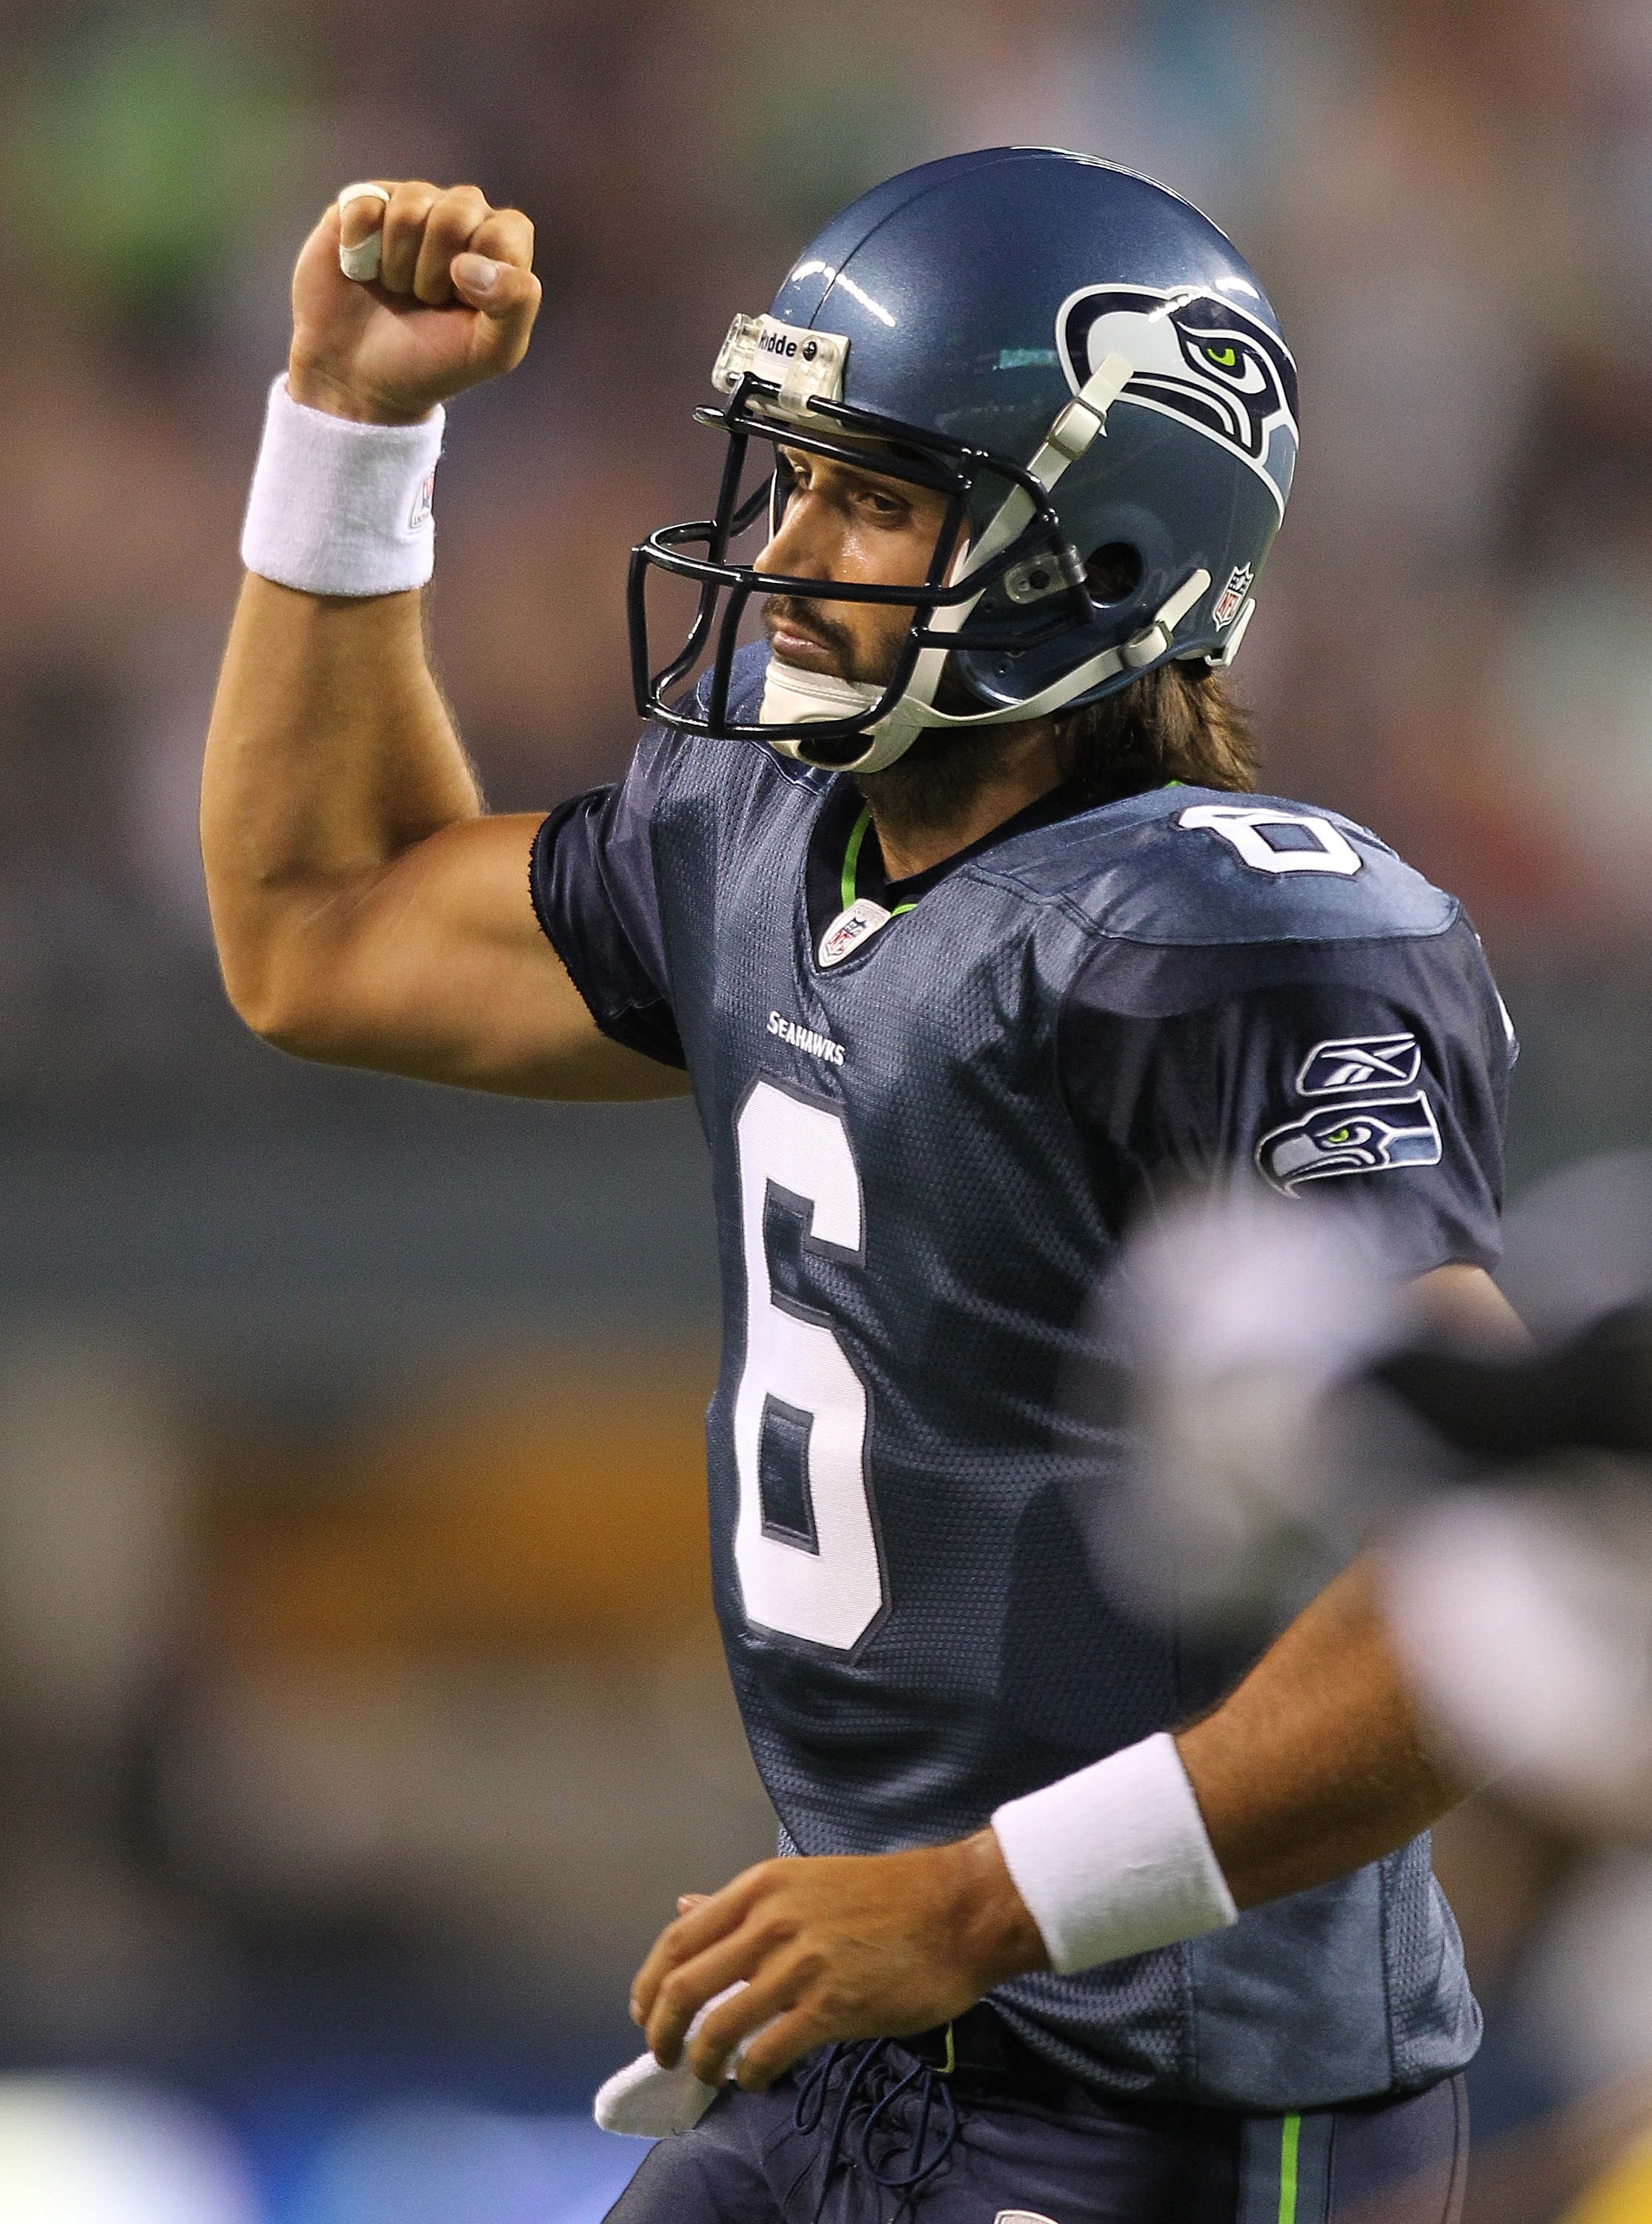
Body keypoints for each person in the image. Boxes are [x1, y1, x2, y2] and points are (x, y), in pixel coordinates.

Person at [204, 149, 1525, 2223]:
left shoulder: (1218, 942)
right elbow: (325, 929)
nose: (789, 543)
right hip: (863, 2040)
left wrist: (987, 1900)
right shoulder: (762, 822)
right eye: (790, 470)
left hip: (1175, 2109)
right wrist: (352, 427)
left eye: (877, 492)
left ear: (1095, 559)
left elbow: (1487, 1594)